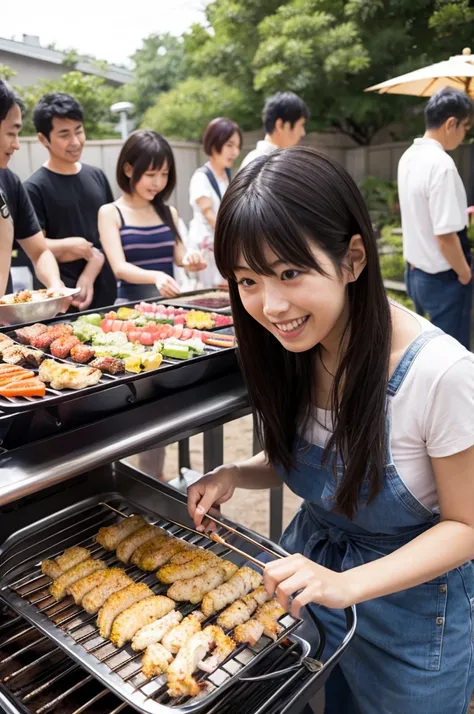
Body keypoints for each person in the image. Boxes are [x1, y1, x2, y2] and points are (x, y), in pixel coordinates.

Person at [188, 146, 474, 714]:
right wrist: (234, 475)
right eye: (247, 280)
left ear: (353, 260)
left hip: (412, 617)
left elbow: (466, 525)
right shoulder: (298, 345)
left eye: (290, 272)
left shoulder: (442, 375)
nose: (269, 305)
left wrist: (349, 585)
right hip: (314, 585)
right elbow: (311, 457)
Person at [24, 93, 117, 311]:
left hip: (106, 296)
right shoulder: (33, 188)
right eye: (64, 134)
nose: (75, 141)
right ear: (43, 139)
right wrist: (72, 245)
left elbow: (109, 237)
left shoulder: (97, 176)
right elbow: (33, 247)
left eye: (79, 131)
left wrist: (91, 267)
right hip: (61, 302)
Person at [398, 88, 474, 349]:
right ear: (451, 123)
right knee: (451, 354)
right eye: (465, 127)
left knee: (421, 351)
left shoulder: (408, 156)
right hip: (443, 278)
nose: (465, 135)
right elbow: (445, 236)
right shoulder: (441, 164)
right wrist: (465, 274)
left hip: (415, 272)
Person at [98, 129, 205, 303]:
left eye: (164, 174)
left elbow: (180, 258)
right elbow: (120, 268)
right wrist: (156, 277)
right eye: (150, 174)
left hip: (169, 307)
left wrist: (191, 259)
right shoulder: (110, 213)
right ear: (128, 170)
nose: (158, 183)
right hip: (130, 311)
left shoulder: (169, 213)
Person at [0, 79, 63, 298]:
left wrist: (55, 285)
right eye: (11, 133)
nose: (17, 144)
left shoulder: (9, 182)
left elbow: (39, 251)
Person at [187, 117, 242, 288]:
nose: (235, 152)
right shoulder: (201, 177)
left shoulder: (227, 176)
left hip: (222, 249)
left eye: (237, 146)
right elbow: (209, 214)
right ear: (213, 144)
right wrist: (233, 242)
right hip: (207, 254)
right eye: (229, 145)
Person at [239, 91, 309, 170]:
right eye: (301, 125)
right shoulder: (263, 165)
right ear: (280, 125)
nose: (303, 133)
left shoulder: (258, 159)